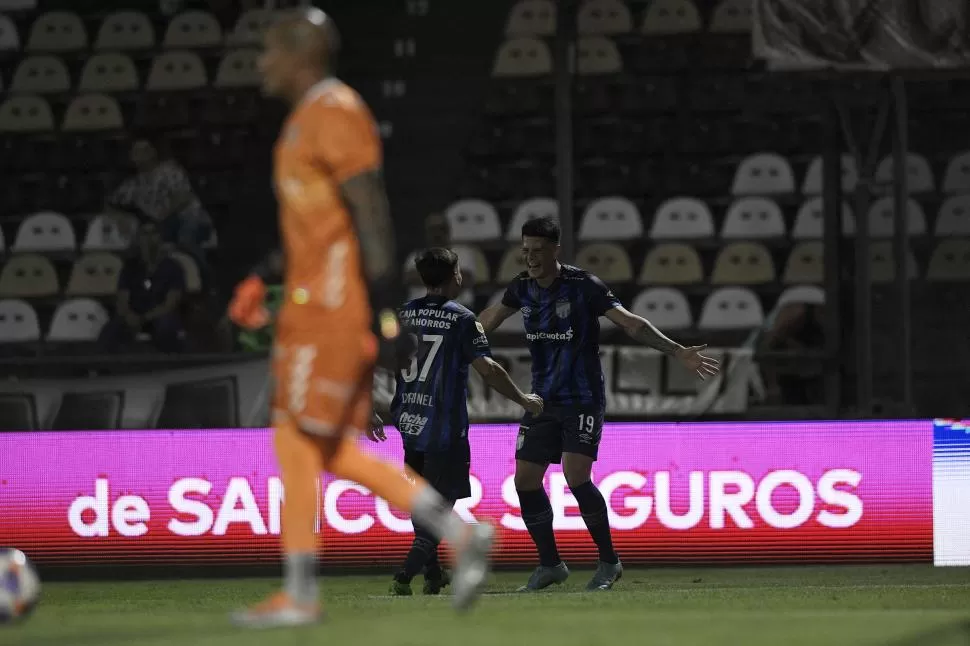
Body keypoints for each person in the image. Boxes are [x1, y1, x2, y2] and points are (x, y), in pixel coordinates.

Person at [227, 9, 493, 627]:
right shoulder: (299, 124)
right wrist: (262, 280)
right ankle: (459, 532)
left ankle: (300, 594)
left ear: (302, 55)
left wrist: (385, 320)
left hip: (331, 316)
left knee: (297, 441)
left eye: (269, 50)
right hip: (304, 312)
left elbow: (372, 215)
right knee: (320, 451)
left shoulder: (336, 112)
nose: (260, 62)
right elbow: (315, 225)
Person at [478, 215, 720, 592]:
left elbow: (630, 323)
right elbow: (488, 320)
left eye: (539, 252)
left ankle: (609, 562)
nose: (531, 259)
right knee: (525, 481)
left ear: (556, 250)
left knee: (576, 477)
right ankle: (550, 565)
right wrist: (456, 338)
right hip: (541, 399)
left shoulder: (583, 286)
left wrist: (676, 351)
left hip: (582, 398)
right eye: (526, 251)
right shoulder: (521, 288)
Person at [375, 247, 544, 596]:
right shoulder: (463, 319)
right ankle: (405, 575)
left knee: (423, 503)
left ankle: (433, 573)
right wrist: (524, 399)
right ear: (454, 276)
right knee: (442, 504)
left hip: (408, 422)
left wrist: (365, 410)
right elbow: (488, 369)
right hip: (444, 429)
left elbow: (368, 359)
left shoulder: (401, 316)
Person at [106, 137, 213, 268]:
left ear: (154, 152)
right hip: (160, 226)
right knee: (141, 243)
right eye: (137, 151)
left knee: (186, 238)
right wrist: (120, 217)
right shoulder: (132, 184)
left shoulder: (170, 170)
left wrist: (161, 218)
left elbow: (183, 198)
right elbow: (110, 203)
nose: (141, 153)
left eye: (145, 149)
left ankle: (199, 280)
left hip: (187, 218)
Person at [98, 220, 185, 353]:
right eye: (145, 234)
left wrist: (144, 318)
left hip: (158, 315)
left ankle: (168, 368)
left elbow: (170, 304)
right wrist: (129, 315)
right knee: (110, 330)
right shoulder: (129, 267)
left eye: (153, 233)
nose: (149, 238)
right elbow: (122, 301)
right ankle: (104, 369)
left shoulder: (173, 267)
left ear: (160, 237)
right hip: (133, 315)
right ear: (138, 239)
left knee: (166, 326)